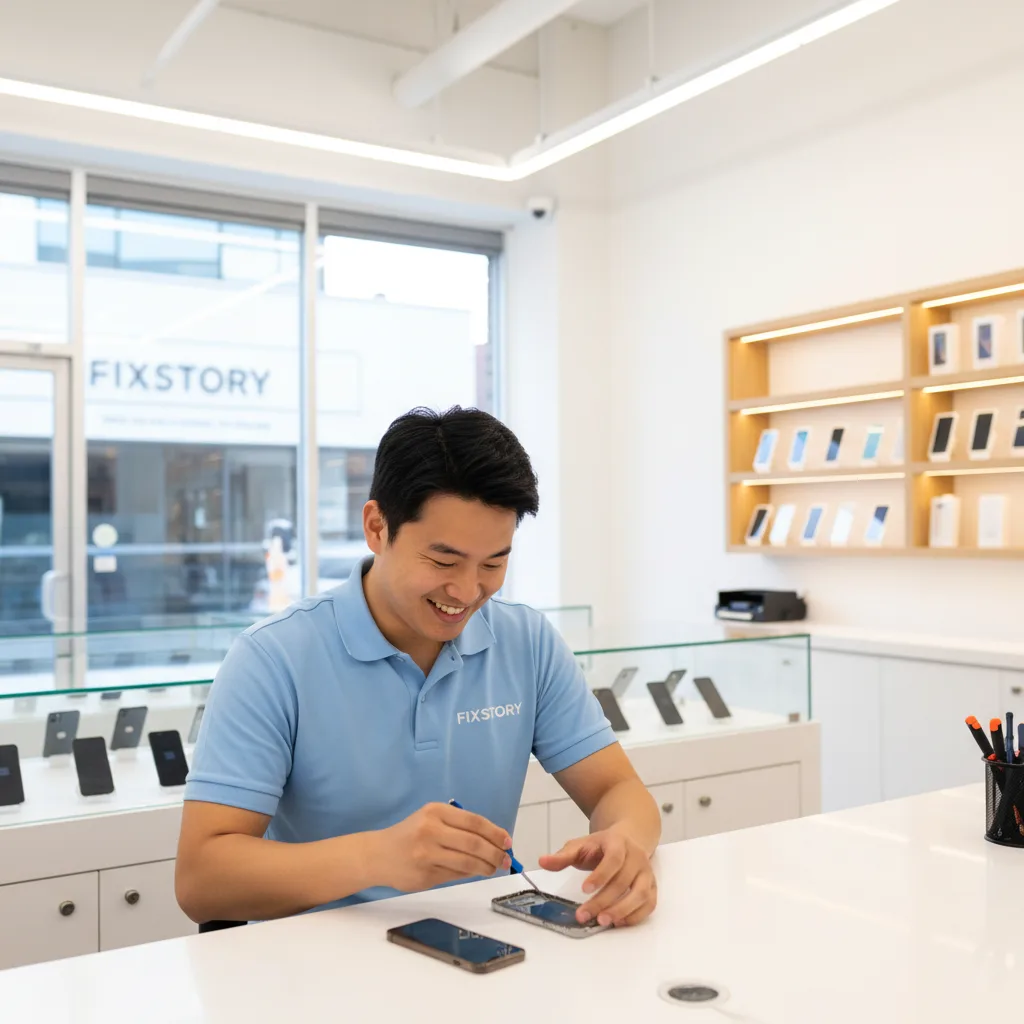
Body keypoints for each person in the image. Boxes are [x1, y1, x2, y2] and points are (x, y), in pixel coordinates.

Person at [175, 407, 661, 929]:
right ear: (376, 526)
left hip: (480, 943)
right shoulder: (273, 658)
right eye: (444, 561)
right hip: (319, 956)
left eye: (494, 563)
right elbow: (202, 881)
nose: (467, 590)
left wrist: (625, 843)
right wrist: (377, 857)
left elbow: (618, 790)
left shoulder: (527, 641)